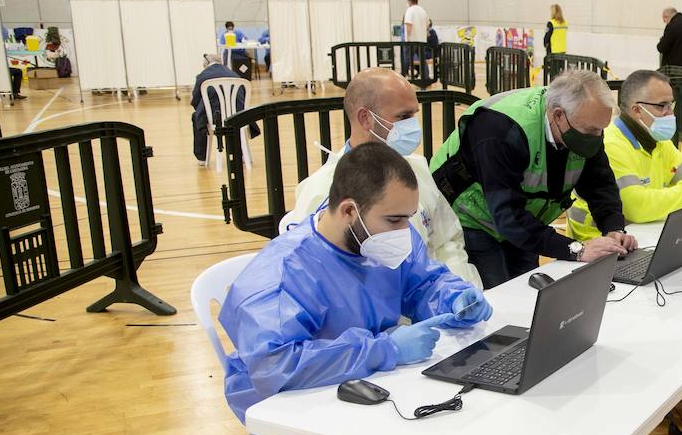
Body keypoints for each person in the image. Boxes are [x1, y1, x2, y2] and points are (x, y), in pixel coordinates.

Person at [220, 141, 494, 435]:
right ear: (349, 210)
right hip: (285, 401)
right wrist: (384, 348)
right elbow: (275, 364)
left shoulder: (380, 238)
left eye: (408, 219)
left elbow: (421, 280)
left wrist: (454, 297)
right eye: (395, 220)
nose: (404, 231)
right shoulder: (284, 272)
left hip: (366, 377)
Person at [429, 69, 636, 288]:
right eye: (591, 130)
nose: (597, 137)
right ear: (558, 115)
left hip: (525, 219)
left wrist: (614, 228)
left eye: (601, 130)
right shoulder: (501, 130)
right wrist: (577, 250)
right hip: (471, 219)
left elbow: (599, 183)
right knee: (498, 292)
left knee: (528, 288)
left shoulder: (583, 122)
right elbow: (508, 215)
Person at [288, 68, 479, 286]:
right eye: (403, 117)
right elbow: (314, 274)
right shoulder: (322, 191)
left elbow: (446, 241)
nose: (413, 126)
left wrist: (459, 288)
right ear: (366, 118)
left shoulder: (416, 169)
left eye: (414, 115)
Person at [567, 69, 682, 239]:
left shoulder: (659, 141)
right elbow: (637, 207)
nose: (670, 113)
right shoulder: (611, 144)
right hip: (597, 239)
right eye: (662, 106)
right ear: (637, 110)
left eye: (671, 105)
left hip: (639, 233)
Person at [189, 53, 247, 163]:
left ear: (205, 65)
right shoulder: (234, 74)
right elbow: (243, 95)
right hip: (238, 115)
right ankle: (241, 153)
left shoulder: (202, 76)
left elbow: (195, 101)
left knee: (196, 116)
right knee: (233, 118)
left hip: (216, 118)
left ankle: (202, 157)